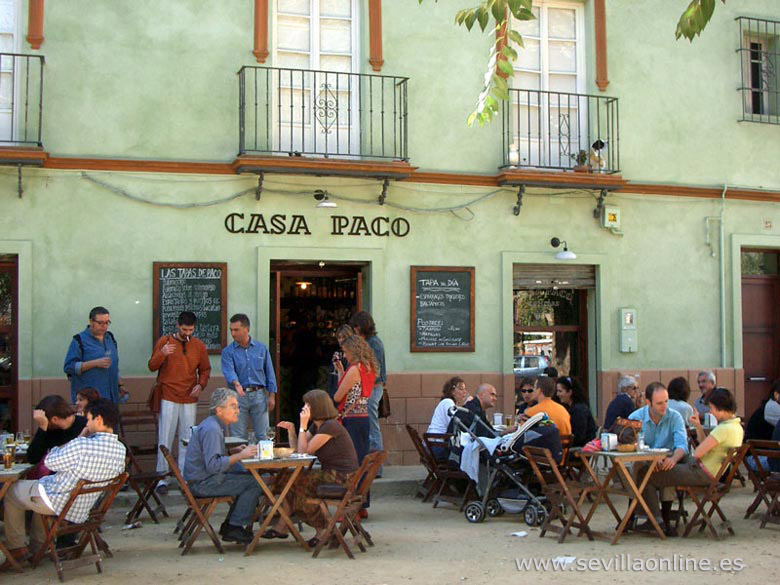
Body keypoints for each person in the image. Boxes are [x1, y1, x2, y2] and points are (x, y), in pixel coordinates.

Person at [1, 399, 126, 566]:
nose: (86, 423)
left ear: (99, 419)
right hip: (81, 507)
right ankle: (38, 548)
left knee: (11, 492)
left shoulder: (82, 445)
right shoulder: (120, 449)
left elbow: (50, 461)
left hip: (59, 500)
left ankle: (16, 548)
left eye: (88, 419)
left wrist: (80, 437)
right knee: (38, 496)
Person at [264, 389, 359, 547]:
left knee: (296, 486)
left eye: (307, 405)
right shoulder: (318, 426)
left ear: (316, 407)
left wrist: (302, 425)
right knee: (287, 480)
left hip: (341, 478)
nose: (304, 409)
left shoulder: (330, 426)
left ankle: (323, 530)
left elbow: (304, 451)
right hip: (333, 474)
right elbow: (299, 450)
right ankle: (282, 526)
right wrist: (292, 431)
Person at [642, 387, 743, 535]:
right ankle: (660, 516)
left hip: (701, 472)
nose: (710, 412)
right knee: (668, 465)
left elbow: (698, 453)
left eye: (712, 408)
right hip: (710, 472)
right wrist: (698, 427)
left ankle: (657, 520)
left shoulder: (723, 430)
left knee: (647, 474)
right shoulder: (736, 427)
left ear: (721, 408)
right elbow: (705, 447)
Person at [182, 388, 261, 545]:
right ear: (219, 410)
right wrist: (240, 456)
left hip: (201, 480)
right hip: (203, 483)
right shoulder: (212, 429)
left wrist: (231, 450)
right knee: (255, 483)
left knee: (248, 479)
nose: (237, 411)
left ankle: (230, 526)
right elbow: (213, 466)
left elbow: (212, 455)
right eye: (233, 406)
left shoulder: (214, 425)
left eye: (237, 406)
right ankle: (234, 527)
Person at [148, 310, 211, 494]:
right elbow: (152, 366)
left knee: (187, 439)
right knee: (165, 437)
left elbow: (205, 369)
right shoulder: (165, 341)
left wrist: (201, 385)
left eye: (191, 330)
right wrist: (162, 353)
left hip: (189, 397)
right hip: (168, 394)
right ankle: (162, 477)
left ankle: (184, 476)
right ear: (178, 326)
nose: (187, 333)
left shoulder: (198, 346)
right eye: (184, 329)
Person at [628, 382, 688, 535]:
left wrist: (673, 459)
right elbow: (631, 446)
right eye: (659, 403)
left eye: (666, 401)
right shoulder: (636, 418)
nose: (664, 406)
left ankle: (664, 520)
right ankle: (640, 515)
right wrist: (650, 459)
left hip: (667, 457)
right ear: (648, 402)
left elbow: (682, 445)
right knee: (633, 468)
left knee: (667, 470)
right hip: (643, 458)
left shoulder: (675, 417)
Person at [220, 313, 277, 440]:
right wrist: (236, 383)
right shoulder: (228, 352)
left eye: (236, 330)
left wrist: (272, 395)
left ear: (247, 329)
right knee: (238, 436)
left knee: (263, 435)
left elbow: (269, 372)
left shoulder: (261, 348)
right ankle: (240, 460)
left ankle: (264, 460)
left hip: (259, 394)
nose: (233, 334)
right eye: (231, 330)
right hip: (237, 396)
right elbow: (229, 371)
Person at [333, 335, 377, 478]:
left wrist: (342, 373)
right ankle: (362, 498)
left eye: (346, 352)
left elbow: (338, 396)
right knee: (361, 460)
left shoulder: (354, 369)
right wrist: (341, 371)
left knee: (352, 462)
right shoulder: (368, 367)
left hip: (351, 420)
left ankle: (352, 496)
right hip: (363, 417)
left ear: (353, 350)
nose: (344, 356)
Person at [63, 306, 126, 403]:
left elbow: (114, 366)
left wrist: (120, 385)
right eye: (100, 323)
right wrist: (95, 363)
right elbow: (69, 367)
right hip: (90, 400)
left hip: (111, 398)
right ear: (91, 322)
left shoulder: (110, 339)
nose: (104, 326)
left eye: (107, 323)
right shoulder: (79, 340)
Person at [348, 311, 386, 460]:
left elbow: (375, 371)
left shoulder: (373, 343)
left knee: (372, 426)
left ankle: (376, 466)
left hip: (372, 389)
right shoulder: (369, 342)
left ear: (361, 327)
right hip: (368, 389)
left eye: (355, 328)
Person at [27, 395, 87, 467]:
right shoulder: (49, 430)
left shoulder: (85, 425)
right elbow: (32, 458)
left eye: (45, 421)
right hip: (56, 475)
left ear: (54, 419)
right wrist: (42, 428)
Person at [427, 377, 469, 461]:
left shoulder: (448, 403)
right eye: (461, 389)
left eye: (465, 389)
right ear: (452, 391)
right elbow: (455, 424)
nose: (465, 392)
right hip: (437, 447)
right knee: (466, 453)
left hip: (434, 445)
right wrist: (467, 405)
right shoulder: (448, 402)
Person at [555, 376, 597, 447]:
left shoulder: (579, 410)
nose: (557, 394)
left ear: (570, 392)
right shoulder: (572, 407)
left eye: (560, 391)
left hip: (580, 450)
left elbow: (579, 437)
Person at [326, 324, 354, 399]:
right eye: (339, 337)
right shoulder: (337, 353)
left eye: (344, 337)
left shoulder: (352, 355)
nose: (341, 340)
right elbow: (331, 376)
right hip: (333, 394)